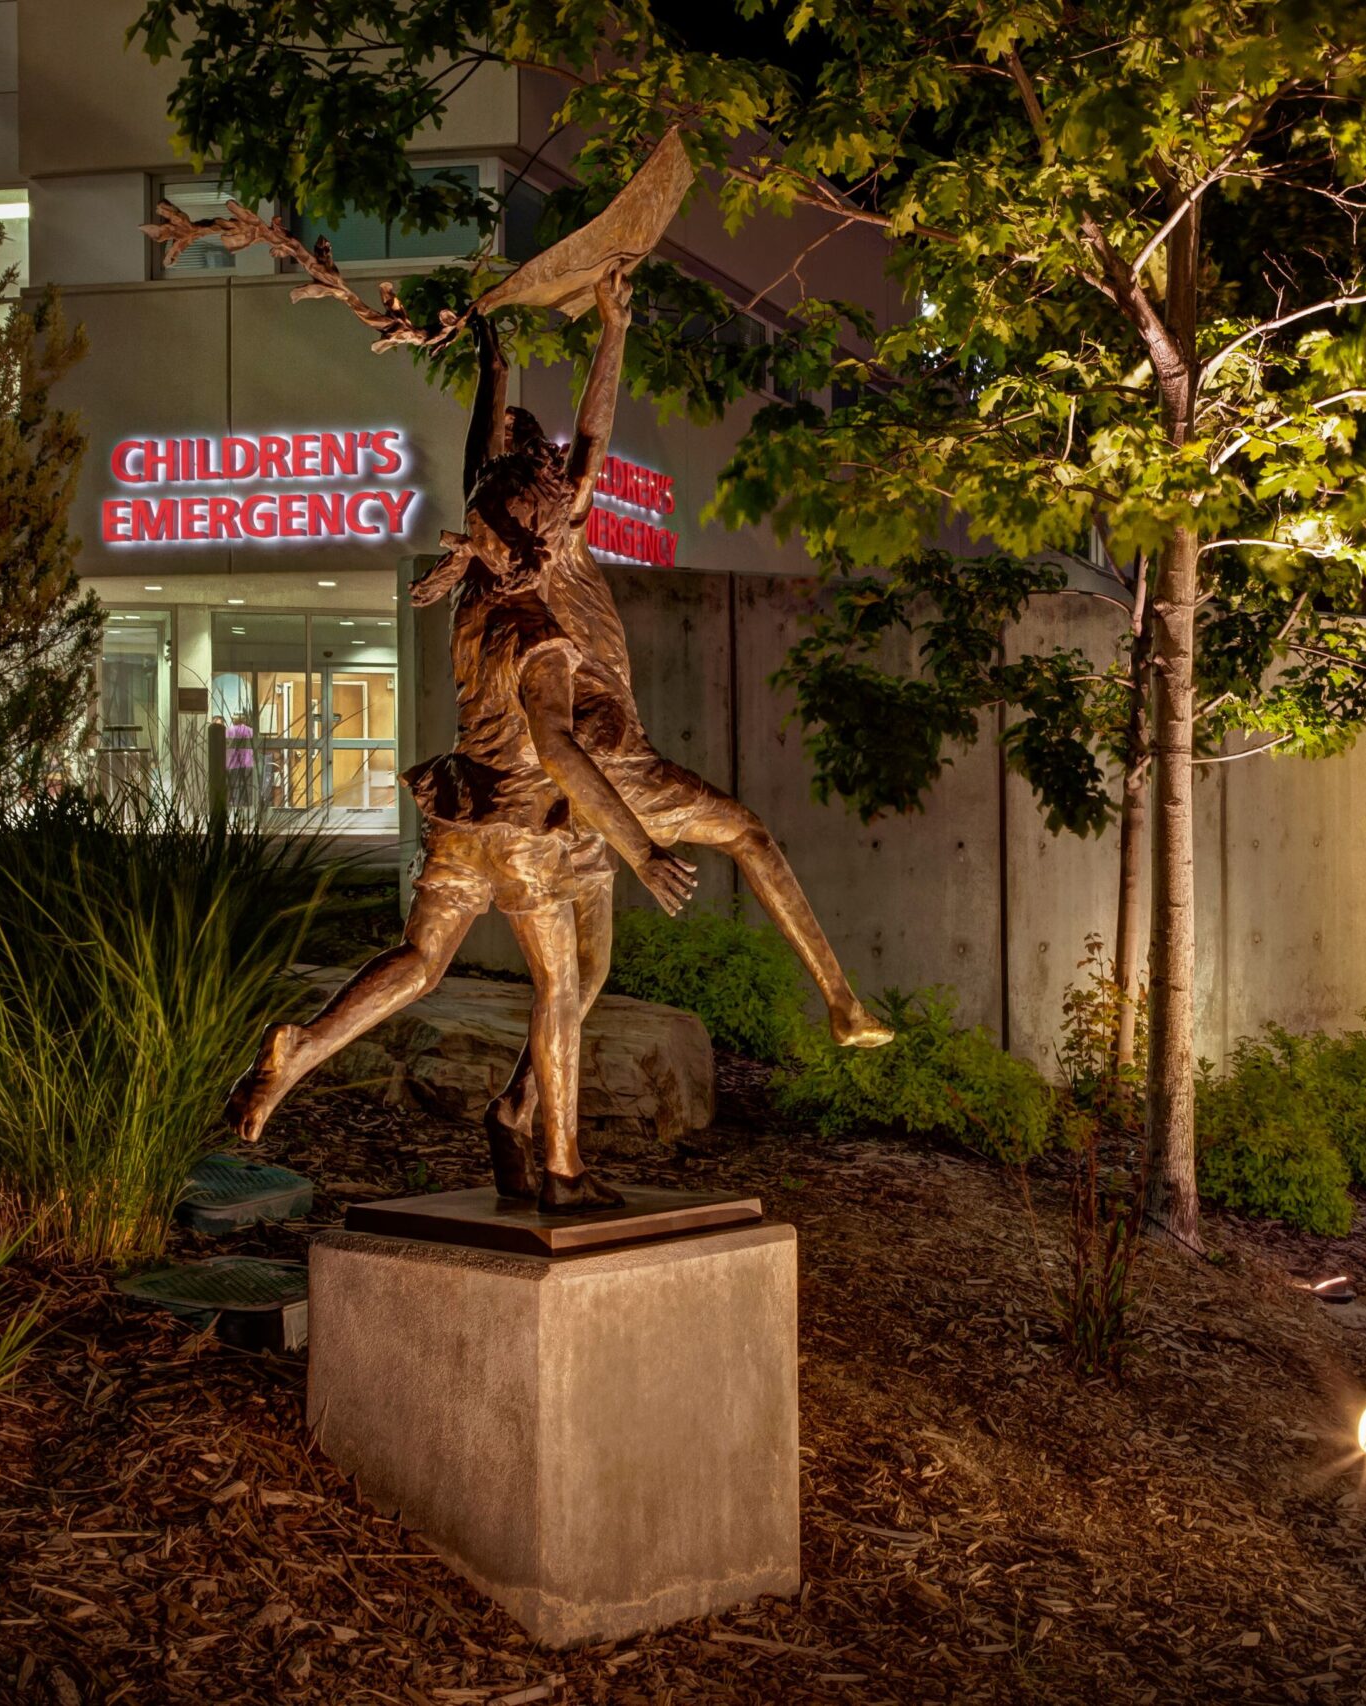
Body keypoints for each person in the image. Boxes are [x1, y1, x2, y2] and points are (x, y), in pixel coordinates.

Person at [226, 264, 887, 1210]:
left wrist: (493, 355)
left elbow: (486, 452)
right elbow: (594, 438)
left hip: (471, 808)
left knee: (486, 966)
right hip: (574, 789)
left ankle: (463, 1098)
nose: (557, 481)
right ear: (540, 512)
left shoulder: (477, 591)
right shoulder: (544, 611)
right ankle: (594, 1149)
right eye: (546, 479)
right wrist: (613, 326)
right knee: (604, 946)